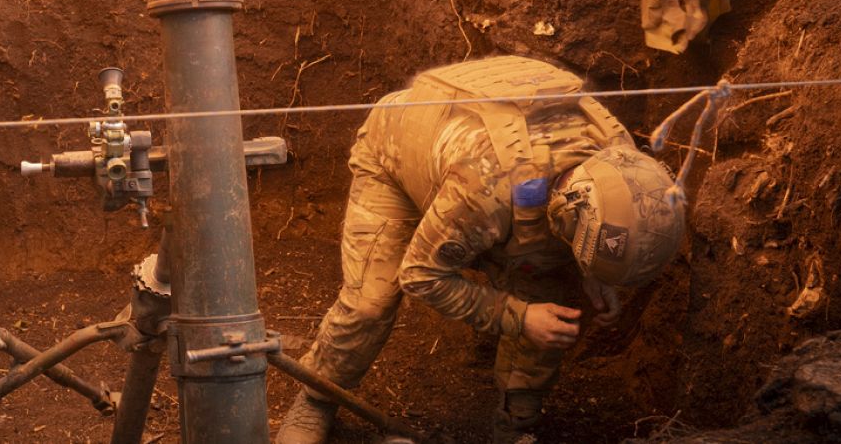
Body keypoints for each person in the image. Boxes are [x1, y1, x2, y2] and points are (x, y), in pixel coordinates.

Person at [276, 56, 685, 443]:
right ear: (564, 214)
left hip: (485, 169)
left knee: (552, 309)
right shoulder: (486, 190)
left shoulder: (622, 162)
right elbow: (420, 274)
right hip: (398, 152)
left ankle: (515, 426)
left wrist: (596, 274)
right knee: (370, 303)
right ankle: (317, 397)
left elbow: (614, 222)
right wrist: (519, 317)